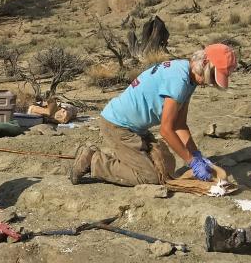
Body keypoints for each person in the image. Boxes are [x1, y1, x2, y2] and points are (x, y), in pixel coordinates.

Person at [71, 43, 237, 186]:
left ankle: (124, 155)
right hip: (118, 126)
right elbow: (166, 130)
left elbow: (179, 124)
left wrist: (196, 154)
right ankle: (93, 160)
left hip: (136, 128)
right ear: (205, 63)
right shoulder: (179, 81)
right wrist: (191, 162)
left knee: (167, 167)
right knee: (149, 176)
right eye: (214, 76)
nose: (212, 82)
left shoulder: (188, 75)